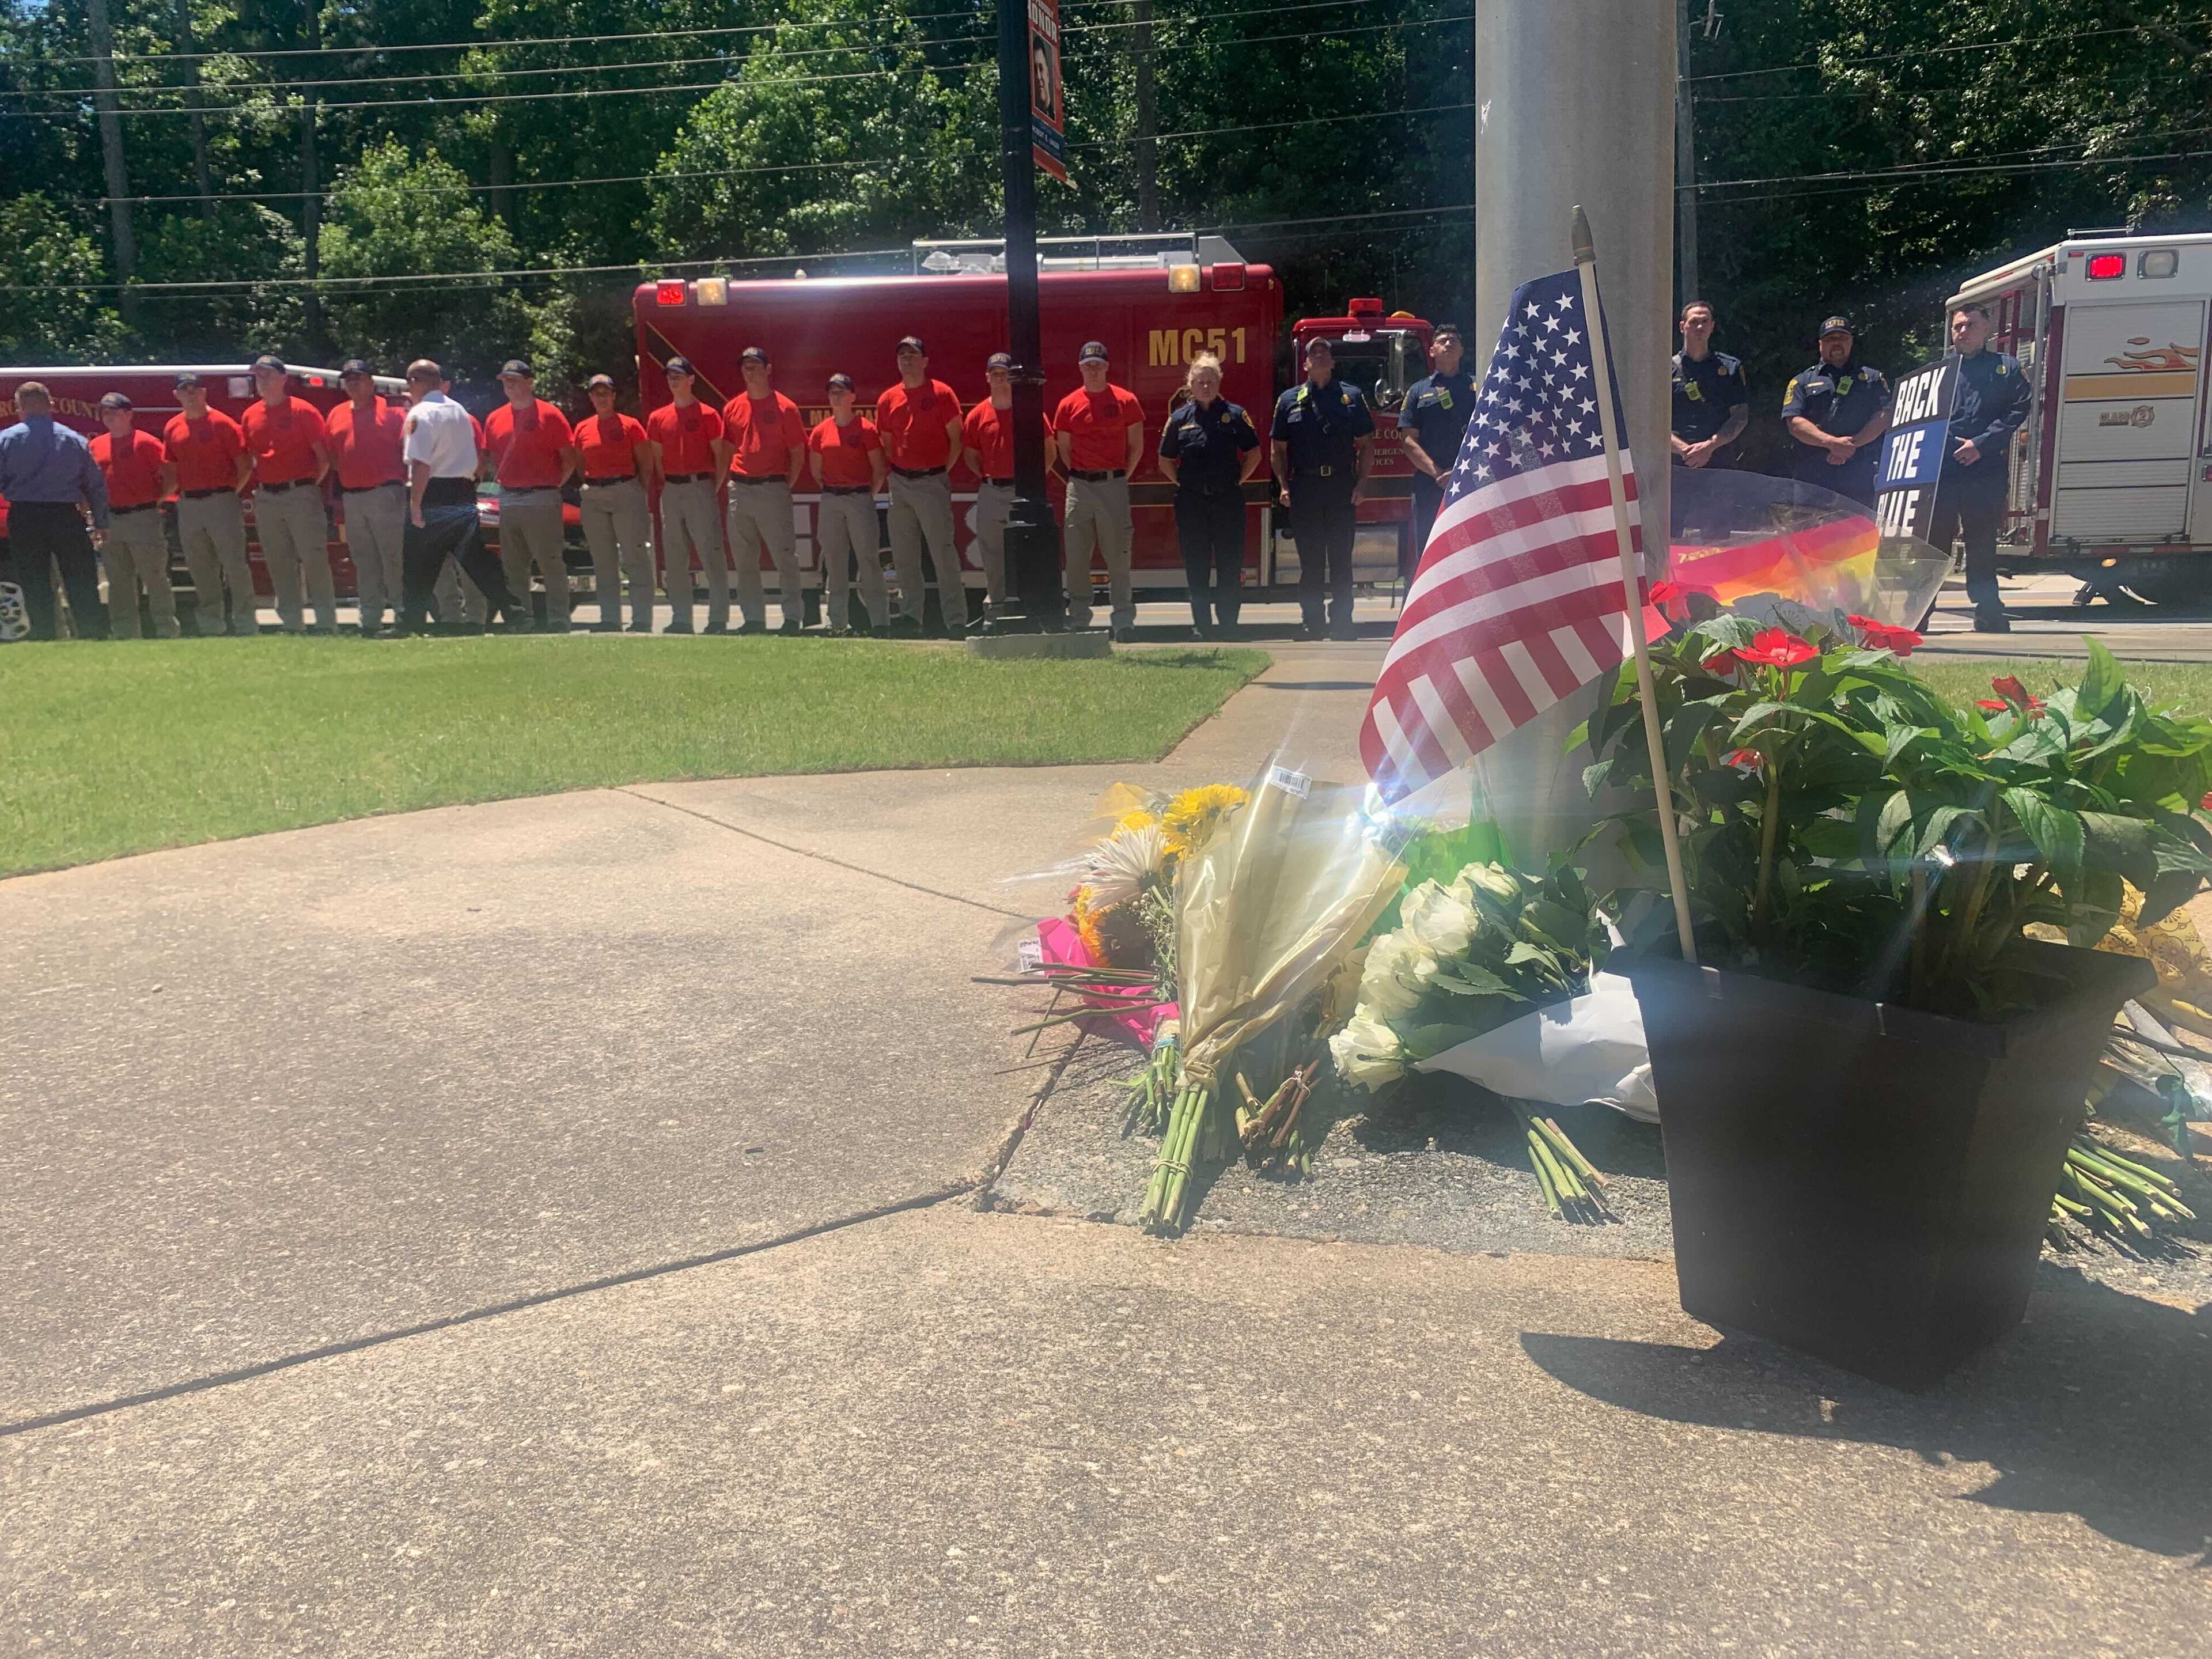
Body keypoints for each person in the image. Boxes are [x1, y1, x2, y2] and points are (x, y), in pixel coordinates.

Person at [394, 357, 527, 636]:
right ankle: (513, 611)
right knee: (474, 558)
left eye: (410, 381)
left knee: (418, 560)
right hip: (462, 491)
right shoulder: (459, 411)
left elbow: (421, 463)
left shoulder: (421, 414)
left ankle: (411, 621)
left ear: (416, 382)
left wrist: (416, 503)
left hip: (433, 491)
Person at [1929, 301, 2033, 634]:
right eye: (1958, 326)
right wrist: (1954, 447)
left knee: (1983, 542)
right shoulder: (1936, 373)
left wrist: (1980, 445)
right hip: (1943, 470)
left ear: (1987, 330)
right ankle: (1921, 611)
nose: (1963, 331)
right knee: (1934, 544)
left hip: (1985, 468)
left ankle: (1989, 610)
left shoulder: (2007, 368)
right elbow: (1921, 418)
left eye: (1971, 325)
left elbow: (2018, 410)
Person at [1271, 337, 1373, 640]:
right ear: (1304, 364)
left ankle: (1343, 623)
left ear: (1332, 362)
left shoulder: (1351, 397)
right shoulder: (1289, 400)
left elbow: (1367, 445)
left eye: (1324, 353)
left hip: (1342, 488)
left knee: (1342, 560)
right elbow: (1277, 448)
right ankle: (1312, 623)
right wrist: (1284, 487)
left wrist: (1362, 484)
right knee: (1311, 562)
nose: (1318, 357)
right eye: (1312, 354)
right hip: (1305, 489)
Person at [1157, 351, 1259, 639]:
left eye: (1211, 380)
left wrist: (1239, 479)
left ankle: (1228, 625)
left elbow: (1254, 452)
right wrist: (1184, 483)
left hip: (1227, 500)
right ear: (1190, 384)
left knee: (1229, 564)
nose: (1205, 386)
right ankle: (1201, 626)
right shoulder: (1179, 419)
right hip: (1193, 503)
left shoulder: (1236, 415)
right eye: (1200, 381)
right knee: (1196, 565)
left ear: (1219, 382)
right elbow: (1165, 459)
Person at [875, 336, 969, 635]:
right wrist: (902, 472)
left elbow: (957, 439)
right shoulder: (888, 399)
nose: (907, 360)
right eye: (902, 355)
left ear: (925, 361)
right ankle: (911, 617)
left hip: (932, 482)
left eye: (913, 355)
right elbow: (887, 444)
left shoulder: (942, 394)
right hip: (900, 483)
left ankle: (955, 620)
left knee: (942, 553)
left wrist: (940, 471)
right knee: (904, 555)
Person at [0, 380, 109, 639]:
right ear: (50, 404)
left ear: (20, 407)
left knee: (34, 578)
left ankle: (44, 634)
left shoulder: (6, 440)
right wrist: (102, 522)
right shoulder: (73, 439)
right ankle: (92, 632)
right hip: (65, 515)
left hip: (25, 515)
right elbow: (95, 485)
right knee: (80, 576)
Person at [1053, 340, 1146, 639]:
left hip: (1113, 485)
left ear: (1107, 367)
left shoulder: (1126, 401)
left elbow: (1137, 447)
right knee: (1077, 557)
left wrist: (1118, 478)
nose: (1093, 371)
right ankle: (1079, 617)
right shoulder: (1068, 405)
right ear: (1080, 368)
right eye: (1087, 366)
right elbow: (1064, 450)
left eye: (1098, 365)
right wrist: (1082, 475)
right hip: (1079, 487)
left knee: (1118, 557)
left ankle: (1122, 621)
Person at [240, 354, 337, 634]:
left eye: (268, 375)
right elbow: (250, 459)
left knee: (314, 558)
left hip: (301, 494)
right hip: (267, 497)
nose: (263, 380)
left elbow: (324, 458)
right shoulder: (250, 415)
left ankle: (326, 622)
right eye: (258, 376)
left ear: (284, 379)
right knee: (278, 561)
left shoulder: (303, 411)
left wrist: (306, 486)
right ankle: (292, 623)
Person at [482, 358, 578, 631]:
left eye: (514, 379)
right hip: (509, 496)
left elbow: (568, 458)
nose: (509, 384)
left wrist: (552, 486)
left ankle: (559, 618)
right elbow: (489, 459)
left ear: (530, 382)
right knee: (513, 566)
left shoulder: (550, 415)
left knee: (550, 561)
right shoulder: (495, 418)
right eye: (505, 380)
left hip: (542, 496)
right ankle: (520, 619)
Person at [718, 345, 808, 634]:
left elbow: (797, 454)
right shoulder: (732, 407)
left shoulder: (786, 407)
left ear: (769, 370)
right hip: (740, 490)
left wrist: (782, 485)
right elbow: (728, 449)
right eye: (746, 366)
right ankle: (753, 619)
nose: (750, 370)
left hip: (772, 488)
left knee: (784, 556)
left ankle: (792, 618)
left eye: (756, 365)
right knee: (744, 560)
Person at [161, 371, 257, 636]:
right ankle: (212, 624)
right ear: (176, 395)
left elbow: (245, 466)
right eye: (185, 389)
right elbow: (171, 469)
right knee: (201, 568)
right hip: (189, 504)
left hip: (221, 501)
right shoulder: (173, 427)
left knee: (235, 565)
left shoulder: (223, 424)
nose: (190, 393)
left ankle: (245, 621)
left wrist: (228, 494)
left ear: (204, 392)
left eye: (195, 388)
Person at [961, 350, 1049, 627]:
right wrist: (992, 477)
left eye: (1005, 374)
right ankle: (996, 611)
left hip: (1023, 491)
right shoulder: (977, 416)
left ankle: (1032, 609)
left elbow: (1049, 451)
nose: (1000, 379)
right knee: (992, 554)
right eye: (995, 374)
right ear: (987, 378)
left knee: (1028, 551)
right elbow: (971, 455)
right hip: (991, 490)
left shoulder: (1029, 411)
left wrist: (1032, 479)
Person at [324, 358, 409, 637]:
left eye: (358, 378)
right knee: (364, 560)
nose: (352, 383)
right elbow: (333, 457)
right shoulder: (336, 414)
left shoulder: (393, 412)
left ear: (371, 382)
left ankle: (403, 614)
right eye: (348, 379)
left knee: (393, 558)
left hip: (386, 493)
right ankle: (370, 619)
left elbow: (408, 452)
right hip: (353, 497)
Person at [643, 356, 728, 634]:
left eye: (679, 375)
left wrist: (710, 487)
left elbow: (720, 455)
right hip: (672, 489)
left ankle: (717, 619)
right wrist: (665, 486)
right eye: (670, 375)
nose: (673, 379)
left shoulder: (708, 415)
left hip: (700, 486)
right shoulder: (657, 417)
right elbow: (657, 458)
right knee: (675, 557)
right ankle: (681, 618)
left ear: (692, 380)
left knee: (710, 553)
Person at [90, 391, 179, 639]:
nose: (109, 417)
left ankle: (166, 630)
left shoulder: (146, 443)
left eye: (114, 412)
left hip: (143, 518)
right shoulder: (97, 445)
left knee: (155, 577)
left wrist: (154, 500)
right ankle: (125, 633)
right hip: (110, 520)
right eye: (105, 412)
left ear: (129, 414)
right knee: (118, 582)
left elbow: (170, 477)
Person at [575, 373, 657, 632]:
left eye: (605, 393)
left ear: (613, 396)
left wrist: (636, 491)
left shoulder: (631, 426)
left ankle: (642, 619)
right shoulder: (582, 428)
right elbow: (580, 464)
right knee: (603, 560)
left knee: (635, 556)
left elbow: (646, 464)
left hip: (626, 491)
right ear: (590, 397)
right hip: (595, 495)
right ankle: (610, 619)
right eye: (596, 393)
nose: (601, 397)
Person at [1396, 323, 1477, 585]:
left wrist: (1460, 472)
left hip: (1471, 482)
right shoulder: (1418, 391)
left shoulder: (1479, 387)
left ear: (1463, 350)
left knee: (1472, 550)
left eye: (1454, 340)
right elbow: (1408, 440)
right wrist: (1439, 473)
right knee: (1429, 550)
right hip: (1431, 485)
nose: (1449, 343)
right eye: (1442, 340)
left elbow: (1490, 435)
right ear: (1432, 351)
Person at [808, 373, 888, 636]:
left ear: (853, 397)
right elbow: (817, 472)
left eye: (842, 391)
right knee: (835, 563)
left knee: (868, 560)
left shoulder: (866, 429)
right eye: (832, 392)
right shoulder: (821, 432)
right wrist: (835, 493)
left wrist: (865, 495)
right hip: (832, 500)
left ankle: (880, 622)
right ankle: (837, 623)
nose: (836, 396)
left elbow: (879, 469)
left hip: (860, 499)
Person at [1782, 316, 1891, 507]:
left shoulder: (1871, 378)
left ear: (1851, 342)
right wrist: (1831, 443)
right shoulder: (1802, 381)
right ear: (1821, 344)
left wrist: (1850, 446)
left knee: (1858, 533)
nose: (1837, 343)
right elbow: (1795, 423)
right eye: (1831, 339)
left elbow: (1884, 416)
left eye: (1842, 337)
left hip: (1858, 470)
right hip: (1812, 471)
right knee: (1809, 532)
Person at [1669, 301, 1750, 472]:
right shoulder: (1664, 371)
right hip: (1676, 463)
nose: (1700, 327)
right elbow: (1651, 423)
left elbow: (1740, 416)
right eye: (1694, 322)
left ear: (1712, 326)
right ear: (1683, 327)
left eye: (1705, 322)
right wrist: (1687, 452)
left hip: (1720, 461)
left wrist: (1709, 447)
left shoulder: (1730, 367)